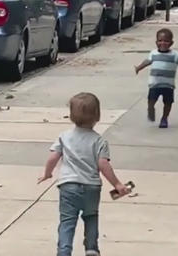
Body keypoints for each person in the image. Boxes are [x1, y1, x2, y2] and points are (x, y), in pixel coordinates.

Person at [37, 92, 129, 256]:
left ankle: (64, 251)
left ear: (71, 116)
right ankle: (92, 248)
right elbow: (103, 164)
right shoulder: (99, 141)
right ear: (97, 116)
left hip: (68, 186)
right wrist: (117, 184)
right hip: (91, 187)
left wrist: (47, 173)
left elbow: (53, 157)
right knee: (91, 217)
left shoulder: (64, 137)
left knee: (67, 221)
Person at [134, 28, 178, 128]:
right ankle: (151, 109)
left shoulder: (175, 55)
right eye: (160, 40)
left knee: (168, 103)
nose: (163, 43)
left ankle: (164, 118)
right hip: (154, 84)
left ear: (171, 43)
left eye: (166, 41)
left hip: (168, 85)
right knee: (151, 100)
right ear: (156, 42)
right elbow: (147, 62)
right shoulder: (153, 53)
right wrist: (139, 67)